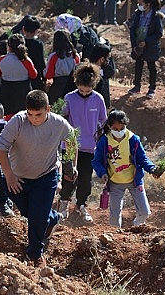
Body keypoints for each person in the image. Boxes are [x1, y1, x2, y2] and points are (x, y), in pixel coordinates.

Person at [0, 90, 73, 267]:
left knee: (36, 217)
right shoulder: (18, 121)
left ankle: (35, 255)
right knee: (30, 212)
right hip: (18, 177)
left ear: (48, 109)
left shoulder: (59, 123)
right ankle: (52, 218)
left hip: (46, 176)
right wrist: (9, 175)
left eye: (38, 114)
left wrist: (70, 164)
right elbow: (1, 147)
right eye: (30, 114)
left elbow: (72, 140)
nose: (34, 118)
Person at [57, 62, 107, 223]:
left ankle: (81, 204)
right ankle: (64, 203)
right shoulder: (69, 97)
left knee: (86, 178)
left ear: (93, 85)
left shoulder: (98, 99)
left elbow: (103, 120)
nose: (84, 93)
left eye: (88, 90)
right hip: (70, 145)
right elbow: (63, 117)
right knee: (68, 175)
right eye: (81, 90)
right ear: (77, 83)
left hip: (90, 147)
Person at [92, 110, 160, 228]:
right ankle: (115, 237)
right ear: (109, 126)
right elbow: (96, 161)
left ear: (126, 125)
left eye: (122, 128)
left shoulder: (133, 140)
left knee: (144, 212)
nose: (119, 132)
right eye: (115, 129)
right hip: (115, 183)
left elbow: (142, 159)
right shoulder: (104, 141)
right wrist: (102, 173)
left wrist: (152, 168)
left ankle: (136, 227)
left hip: (134, 181)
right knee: (114, 215)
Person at [128, 0, 164, 100]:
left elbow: (158, 33)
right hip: (138, 45)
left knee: (151, 66)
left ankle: (152, 88)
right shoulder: (138, 14)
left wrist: (147, 42)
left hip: (150, 47)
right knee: (138, 65)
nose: (139, 5)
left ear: (148, 4)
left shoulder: (156, 17)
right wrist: (134, 44)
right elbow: (132, 29)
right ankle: (136, 86)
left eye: (141, 3)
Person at [0, 34, 37, 120]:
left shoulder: (2, 59)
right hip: (23, 91)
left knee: (8, 116)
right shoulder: (25, 60)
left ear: (8, 46)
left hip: (6, 90)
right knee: (23, 115)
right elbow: (33, 75)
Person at [44, 29, 80, 104]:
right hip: (73, 85)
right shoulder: (75, 55)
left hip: (58, 86)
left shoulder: (54, 56)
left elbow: (48, 75)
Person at [88, 42, 116, 108]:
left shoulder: (105, 71)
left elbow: (112, 71)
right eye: (108, 58)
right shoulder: (86, 74)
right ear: (102, 59)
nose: (108, 61)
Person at [21, 16, 45, 90]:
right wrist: (44, 77)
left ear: (23, 29)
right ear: (36, 31)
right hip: (35, 75)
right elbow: (41, 62)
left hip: (21, 75)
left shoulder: (20, 43)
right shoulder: (38, 44)